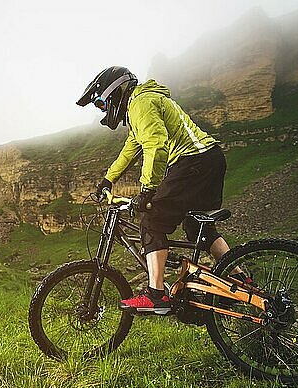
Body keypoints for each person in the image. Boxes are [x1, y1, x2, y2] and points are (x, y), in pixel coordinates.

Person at [77, 66, 249, 314]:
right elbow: (131, 149)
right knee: (196, 226)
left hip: (193, 162)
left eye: (101, 104)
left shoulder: (141, 104)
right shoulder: (140, 106)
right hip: (209, 160)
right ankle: (239, 279)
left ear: (114, 93)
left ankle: (156, 295)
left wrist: (147, 191)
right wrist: (108, 179)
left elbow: (156, 147)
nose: (103, 111)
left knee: (152, 220)